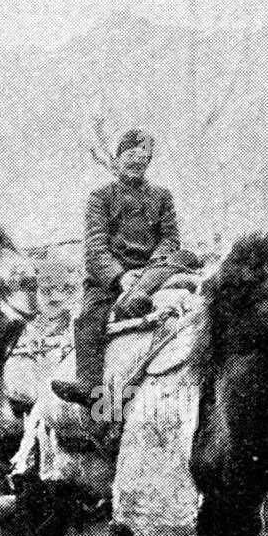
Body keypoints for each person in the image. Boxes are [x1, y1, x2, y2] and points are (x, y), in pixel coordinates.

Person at [51, 129, 180, 409]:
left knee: (186, 259)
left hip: (153, 273)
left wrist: (153, 265)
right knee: (90, 317)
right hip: (109, 281)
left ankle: (137, 297)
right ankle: (88, 383)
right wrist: (121, 276)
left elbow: (170, 238)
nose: (138, 160)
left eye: (144, 156)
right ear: (118, 158)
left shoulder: (162, 196)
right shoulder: (100, 198)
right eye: (131, 154)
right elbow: (95, 248)